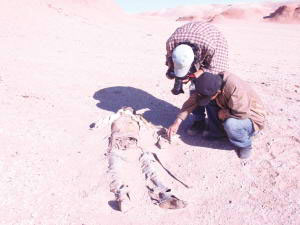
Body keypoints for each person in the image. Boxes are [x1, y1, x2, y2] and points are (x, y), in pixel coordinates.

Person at [167, 72, 266, 159]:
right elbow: (193, 101)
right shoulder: (211, 83)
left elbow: (242, 113)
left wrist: (226, 113)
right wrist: (177, 122)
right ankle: (218, 132)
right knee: (209, 101)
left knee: (231, 124)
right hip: (233, 108)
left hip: (251, 117)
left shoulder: (236, 88)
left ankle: (245, 145)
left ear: (219, 92)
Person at [165, 22, 229, 136]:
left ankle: (214, 124)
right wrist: (176, 74)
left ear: (195, 58)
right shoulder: (172, 43)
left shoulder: (212, 46)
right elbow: (170, 61)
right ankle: (199, 121)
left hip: (212, 44)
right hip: (192, 39)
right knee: (193, 89)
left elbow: (214, 69)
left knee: (208, 89)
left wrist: (193, 75)